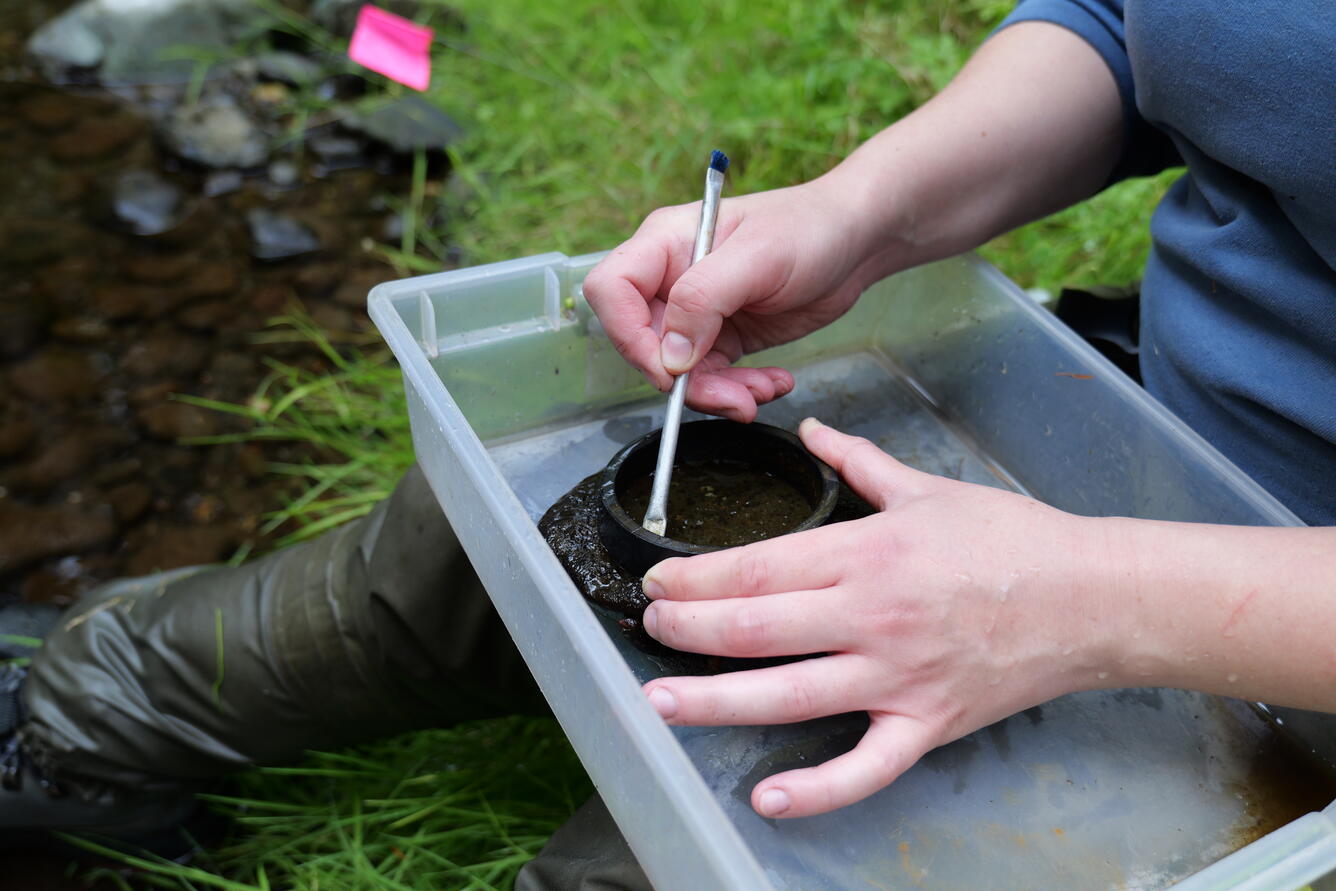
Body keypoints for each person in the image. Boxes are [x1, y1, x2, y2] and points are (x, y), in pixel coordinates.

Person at [3, 0, 1333, 886]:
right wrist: (867, 210)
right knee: (454, 556)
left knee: (694, 843)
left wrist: (1096, 603)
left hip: (1284, 664)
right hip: (1118, 392)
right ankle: (73, 742)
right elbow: (1135, 30)